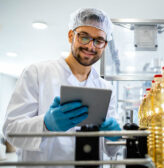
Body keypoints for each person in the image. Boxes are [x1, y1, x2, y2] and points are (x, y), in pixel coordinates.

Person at [2, 8, 121, 167]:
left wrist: (114, 137)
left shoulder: (106, 88)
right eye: (84, 37)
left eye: (98, 40)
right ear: (71, 35)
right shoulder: (37, 73)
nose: (91, 47)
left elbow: (111, 150)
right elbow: (10, 131)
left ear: (105, 45)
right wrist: (45, 124)